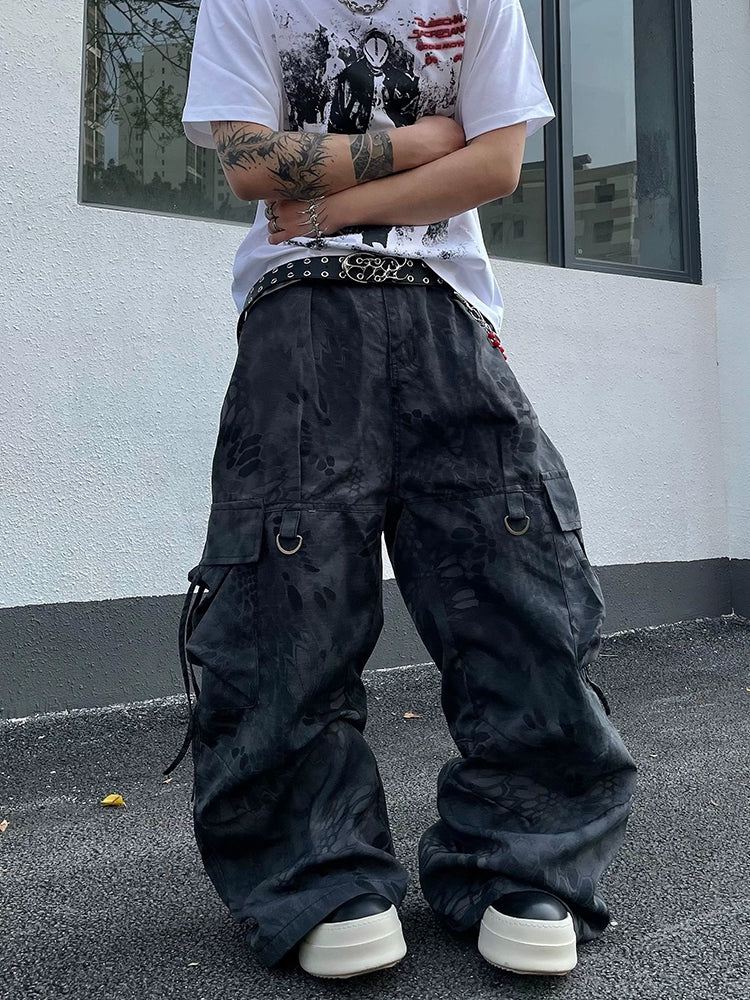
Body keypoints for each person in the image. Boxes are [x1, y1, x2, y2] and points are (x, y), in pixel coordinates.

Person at [163, 0, 638, 980]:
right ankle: (314, 866)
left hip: (443, 308)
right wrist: (422, 143)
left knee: (516, 577)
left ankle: (526, 853)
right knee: (286, 600)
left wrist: (329, 206)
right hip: (296, 310)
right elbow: (250, 165)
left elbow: (496, 165)